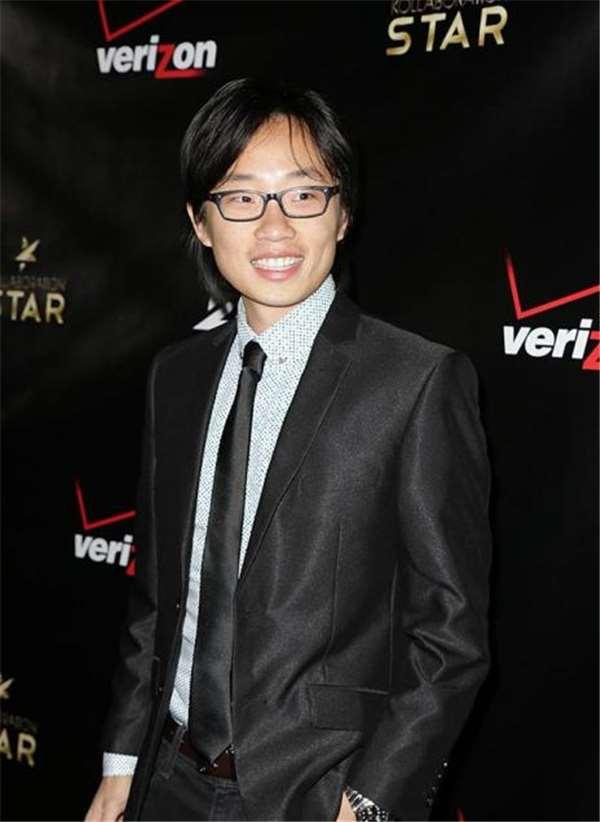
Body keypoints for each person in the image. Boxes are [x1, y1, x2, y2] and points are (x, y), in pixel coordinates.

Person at [85, 77, 492, 822]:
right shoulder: (175, 377)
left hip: (315, 793)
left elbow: (450, 633)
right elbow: (157, 599)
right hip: (164, 779)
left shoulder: (416, 382)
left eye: (303, 194)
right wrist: (122, 763)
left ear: (343, 212)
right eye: (242, 198)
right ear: (200, 222)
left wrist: (370, 801)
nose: (274, 227)